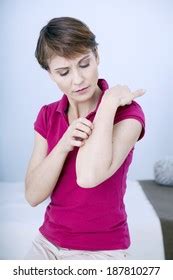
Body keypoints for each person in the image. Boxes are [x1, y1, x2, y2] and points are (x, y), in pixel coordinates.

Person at [24, 17, 145, 260]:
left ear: (97, 56)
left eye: (84, 64)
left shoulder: (127, 114)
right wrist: (62, 146)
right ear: (50, 74)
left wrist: (108, 104)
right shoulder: (48, 115)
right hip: (47, 242)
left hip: (101, 249)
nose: (78, 80)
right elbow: (33, 196)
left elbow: (89, 176)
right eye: (63, 72)